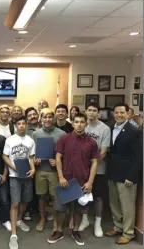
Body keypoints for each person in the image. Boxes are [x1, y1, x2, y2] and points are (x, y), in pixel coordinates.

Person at [47, 113, 99, 246]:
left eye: (82, 122)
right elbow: (58, 158)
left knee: (78, 210)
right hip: (66, 180)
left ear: (86, 123)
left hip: (82, 181)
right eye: (77, 121)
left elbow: (94, 162)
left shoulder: (91, 142)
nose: (79, 124)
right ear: (73, 123)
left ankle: (75, 231)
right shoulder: (64, 138)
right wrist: (60, 176)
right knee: (60, 209)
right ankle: (59, 231)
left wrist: (90, 182)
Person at [105, 103, 143, 244]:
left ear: (128, 114)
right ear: (113, 114)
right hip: (113, 173)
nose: (119, 115)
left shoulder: (134, 131)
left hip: (126, 176)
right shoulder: (111, 128)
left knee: (127, 206)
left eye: (122, 112)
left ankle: (128, 232)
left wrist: (132, 176)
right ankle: (118, 226)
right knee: (114, 204)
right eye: (116, 113)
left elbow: (139, 157)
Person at [2, 116, 36, 249]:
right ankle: (14, 234)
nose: (21, 126)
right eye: (19, 124)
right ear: (16, 126)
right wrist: (13, 167)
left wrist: (33, 169)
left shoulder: (30, 140)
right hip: (14, 176)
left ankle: (19, 219)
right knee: (15, 202)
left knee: (26, 200)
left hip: (27, 175)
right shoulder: (10, 140)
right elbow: (4, 156)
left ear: (26, 125)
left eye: (23, 123)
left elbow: (31, 157)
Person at [78, 102, 111, 237]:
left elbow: (103, 152)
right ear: (86, 111)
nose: (91, 113)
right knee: (83, 195)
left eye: (94, 110)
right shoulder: (82, 126)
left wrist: (92, 166)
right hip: (82, 169)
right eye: (89, 110)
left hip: (99, 169)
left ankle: (98, 223)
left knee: (98, 197)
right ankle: (85, 219)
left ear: (98, 113)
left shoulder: (104, 129)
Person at [32, 108, 66, 232]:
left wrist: (57, 162)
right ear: (41, 119)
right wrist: (35, 160)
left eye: (50, 117)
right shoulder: (36, 134)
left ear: (54, 118)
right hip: (40, 170)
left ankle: (56, 221)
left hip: (54, 171)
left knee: (55, 197)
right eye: (45, 117)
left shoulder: (61, 134)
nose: (47, 119)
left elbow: (65, 154)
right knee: (41, 196)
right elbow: (32, 152)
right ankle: (42, 218)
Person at [24, 107, 40, 221]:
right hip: (29, 162)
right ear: (27, 118)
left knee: (40, 190)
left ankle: (39, 210)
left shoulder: (44, 127)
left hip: (44, 163)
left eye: (35, 114)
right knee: (29, 188)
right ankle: (27, 210)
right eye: (30, 115)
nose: (33, 116)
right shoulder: (24, 130)